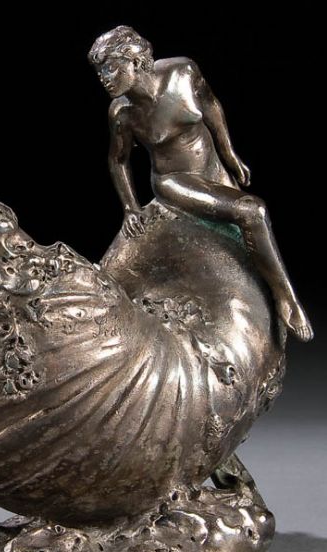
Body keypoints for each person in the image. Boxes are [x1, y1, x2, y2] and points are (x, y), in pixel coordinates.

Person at [88, 26, 313, 342]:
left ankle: (270, 303)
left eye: (110, 67)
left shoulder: (183, 72)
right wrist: (130, 207)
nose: (103, 78)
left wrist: (229, 152)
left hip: (212, 169)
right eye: (99, 70)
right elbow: (118, 160)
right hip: (174, 181)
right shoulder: (123, 113)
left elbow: (210, 106)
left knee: (245, 230)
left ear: (135, 61)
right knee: (254, 211)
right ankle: (288, 299)